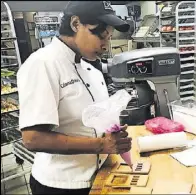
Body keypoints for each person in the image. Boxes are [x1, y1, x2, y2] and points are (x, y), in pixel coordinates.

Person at [17, 1, 132, 195]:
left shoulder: (90, 69)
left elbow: (88, 123)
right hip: (61, 185)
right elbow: (33, 138)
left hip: (98, 175)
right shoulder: (43, 64)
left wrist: (111, 133)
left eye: (110, 38)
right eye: (101, 36)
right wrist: (101, 144)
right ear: (76, 24)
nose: (105, 45)